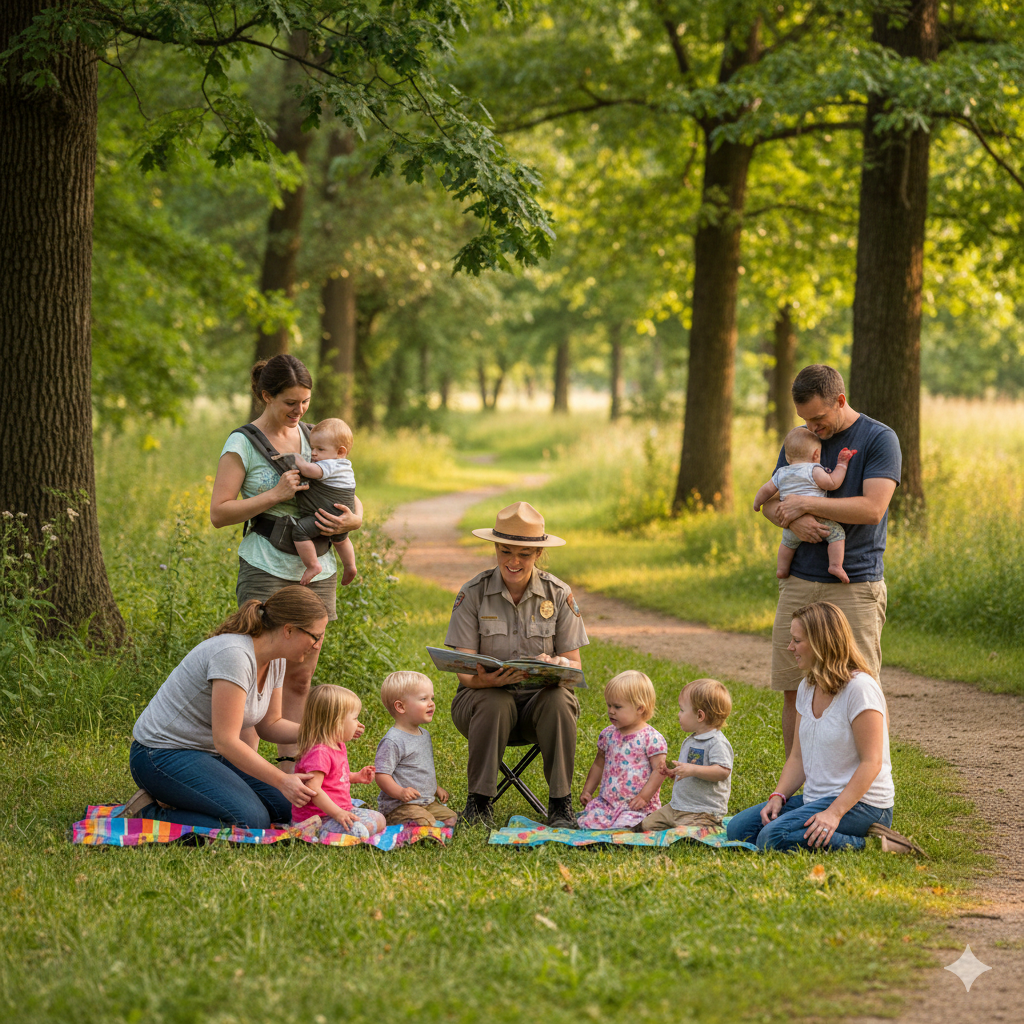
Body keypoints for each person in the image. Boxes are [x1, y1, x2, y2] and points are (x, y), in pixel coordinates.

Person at [210, 354, 364, 766]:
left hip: (319, 572)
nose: (300, 412)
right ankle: (246, 769)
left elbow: (350, 494)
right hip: (265, 568)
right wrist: (275, 495)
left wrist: (356, 519)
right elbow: (219, 513)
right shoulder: (242, 443)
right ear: (266, 395)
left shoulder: (317, 437)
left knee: (300, 675)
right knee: (254, 674)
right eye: (290, 403)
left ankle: (291, 769)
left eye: (305, 402)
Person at [759, 364, 901, 756]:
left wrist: (804, 504)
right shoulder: (802, 438)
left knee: (861, 690)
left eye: (819, 418)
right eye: (805, 419)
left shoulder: (879, 438)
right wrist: (797, 521)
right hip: (800, 581)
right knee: (794, 686)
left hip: (853, 583)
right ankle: (795, 790)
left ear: (840, 400)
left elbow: (873, 508)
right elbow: (772, 503)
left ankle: (867, 792)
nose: (813, 427)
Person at [122, 587, 326, 829]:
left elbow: (270, 725)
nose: (317, 645)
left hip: (207, 754)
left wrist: (321, 732)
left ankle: (191, 800)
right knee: (250, 820)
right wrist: (282, 779)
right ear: (289, 630)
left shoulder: (277, 660)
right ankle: (146, 812)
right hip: (159, 754)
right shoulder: (234, 656)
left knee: (286, 808)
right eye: (315, 636)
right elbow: (226, 741)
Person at [726, 602, 920, 854]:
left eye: (797, 640)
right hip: (817, 799)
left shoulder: (860, 689)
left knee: (772, 838)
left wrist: (833, 813)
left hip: (864, 805)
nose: (790, 647)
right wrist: (778, 796)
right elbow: (798, 756)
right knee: (740, 829)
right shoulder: (807, 687)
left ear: (821, 643)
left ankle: (873, 845)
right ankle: (827, 830)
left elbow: (872, 763)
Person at [445, 501, 589, 829]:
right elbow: (465, 673)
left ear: (538, 554)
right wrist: (490, 681)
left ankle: (560, 804)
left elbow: (575, 666)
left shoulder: (559, 593)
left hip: (537, 708)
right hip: (481, 706)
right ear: (495, 547)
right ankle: (479, 803)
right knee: (495, 700)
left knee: (560, 699)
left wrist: (557, 664)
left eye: (524, 554)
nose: (513, 561)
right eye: (505, 551)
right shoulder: (473, 593)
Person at [754, 426, 856, 583]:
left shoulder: (782, 472)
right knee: (838, 534)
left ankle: (781, 569)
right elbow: (832, 483)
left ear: (787, 457)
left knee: (787, 544)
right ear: (816, 454)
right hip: (817, 517)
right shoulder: (813, 470)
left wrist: (757, 503)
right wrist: (841, 465)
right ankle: (835, 565)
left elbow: (766, 490)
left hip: (791, 520)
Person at [635, 678, 733, 832]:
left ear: (700, 716)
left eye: (682, 710)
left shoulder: (716, 742)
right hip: (677, 807)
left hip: (703, 811)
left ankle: (708, 826)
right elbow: (691, 771)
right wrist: (674, 773)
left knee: (684, 833)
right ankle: (682, 827)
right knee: (647, 825)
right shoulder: (692, 740)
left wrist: (692, 770)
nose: (678, 714)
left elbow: (723, 772)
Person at [291, 684, 385, 840]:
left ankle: (340, 829)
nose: (358, 723)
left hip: (339, 811)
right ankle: (312, 834)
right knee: (359, 832)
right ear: (337, 722)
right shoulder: (319, 753)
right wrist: (338, 813)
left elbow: (334, 778)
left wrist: (356, 777)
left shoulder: (338, 745)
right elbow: (312, 789)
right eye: (355, 718)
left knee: (380, 819)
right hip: (316, 820)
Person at [578, 671, 668, 830]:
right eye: (609, 705)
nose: (611, 711)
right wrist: (588, 790)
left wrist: (644, 797)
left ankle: (630, 824)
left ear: (640, 708)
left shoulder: (651, 738)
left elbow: (660, 771)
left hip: (636, 805)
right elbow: (599, 764)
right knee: (587, 822)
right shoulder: (608, 735)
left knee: (628, 826)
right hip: (609, 803)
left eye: (617, 707)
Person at [275, 417, 358, 588]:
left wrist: (297, 459)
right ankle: (350, 566)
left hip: (327, 514)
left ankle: (313, 565)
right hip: (343, 513)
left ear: (340, 452)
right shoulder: (346, 467)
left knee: (300, 531)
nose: (313, 453)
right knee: (341, 540)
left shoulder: (331, 465)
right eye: (312, 448)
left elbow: (308, 470)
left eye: (320, 449)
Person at [374, 671, 457, 828]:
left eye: (431, 698)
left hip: (425, 802)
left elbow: (420, 769)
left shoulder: (424, 734)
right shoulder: (393, 740)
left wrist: (435, 788)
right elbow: (381, 775)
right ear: (400, 706)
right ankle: (411, 825)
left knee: (451, 818)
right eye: (423, 699)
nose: (431, 703)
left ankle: (429, 826)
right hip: (400, 806)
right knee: (426, 822)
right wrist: (400, 792)